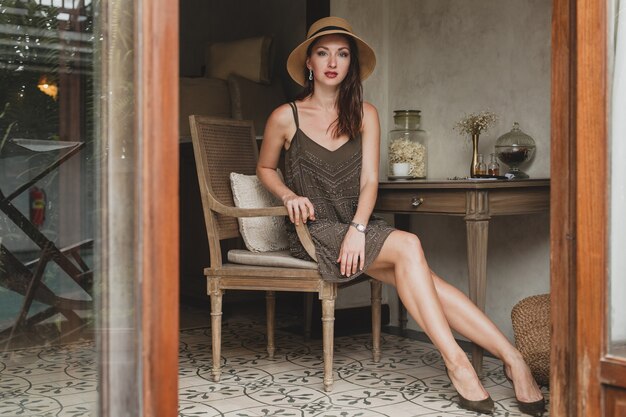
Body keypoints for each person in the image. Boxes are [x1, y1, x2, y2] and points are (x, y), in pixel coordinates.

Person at [257, 16, 545, 416]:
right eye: (323, 53)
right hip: (314, 231)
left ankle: (513, 360)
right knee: (409, 245)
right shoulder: (285, 116)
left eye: (342, 54)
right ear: (309, 62)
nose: (332, 62)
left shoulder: (365, 114)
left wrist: (358, 228)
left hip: (356, 226)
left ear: (351, 65)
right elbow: (265, 168)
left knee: (421, 274)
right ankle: (459, 362)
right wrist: (289, 195)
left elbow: (371, 182)